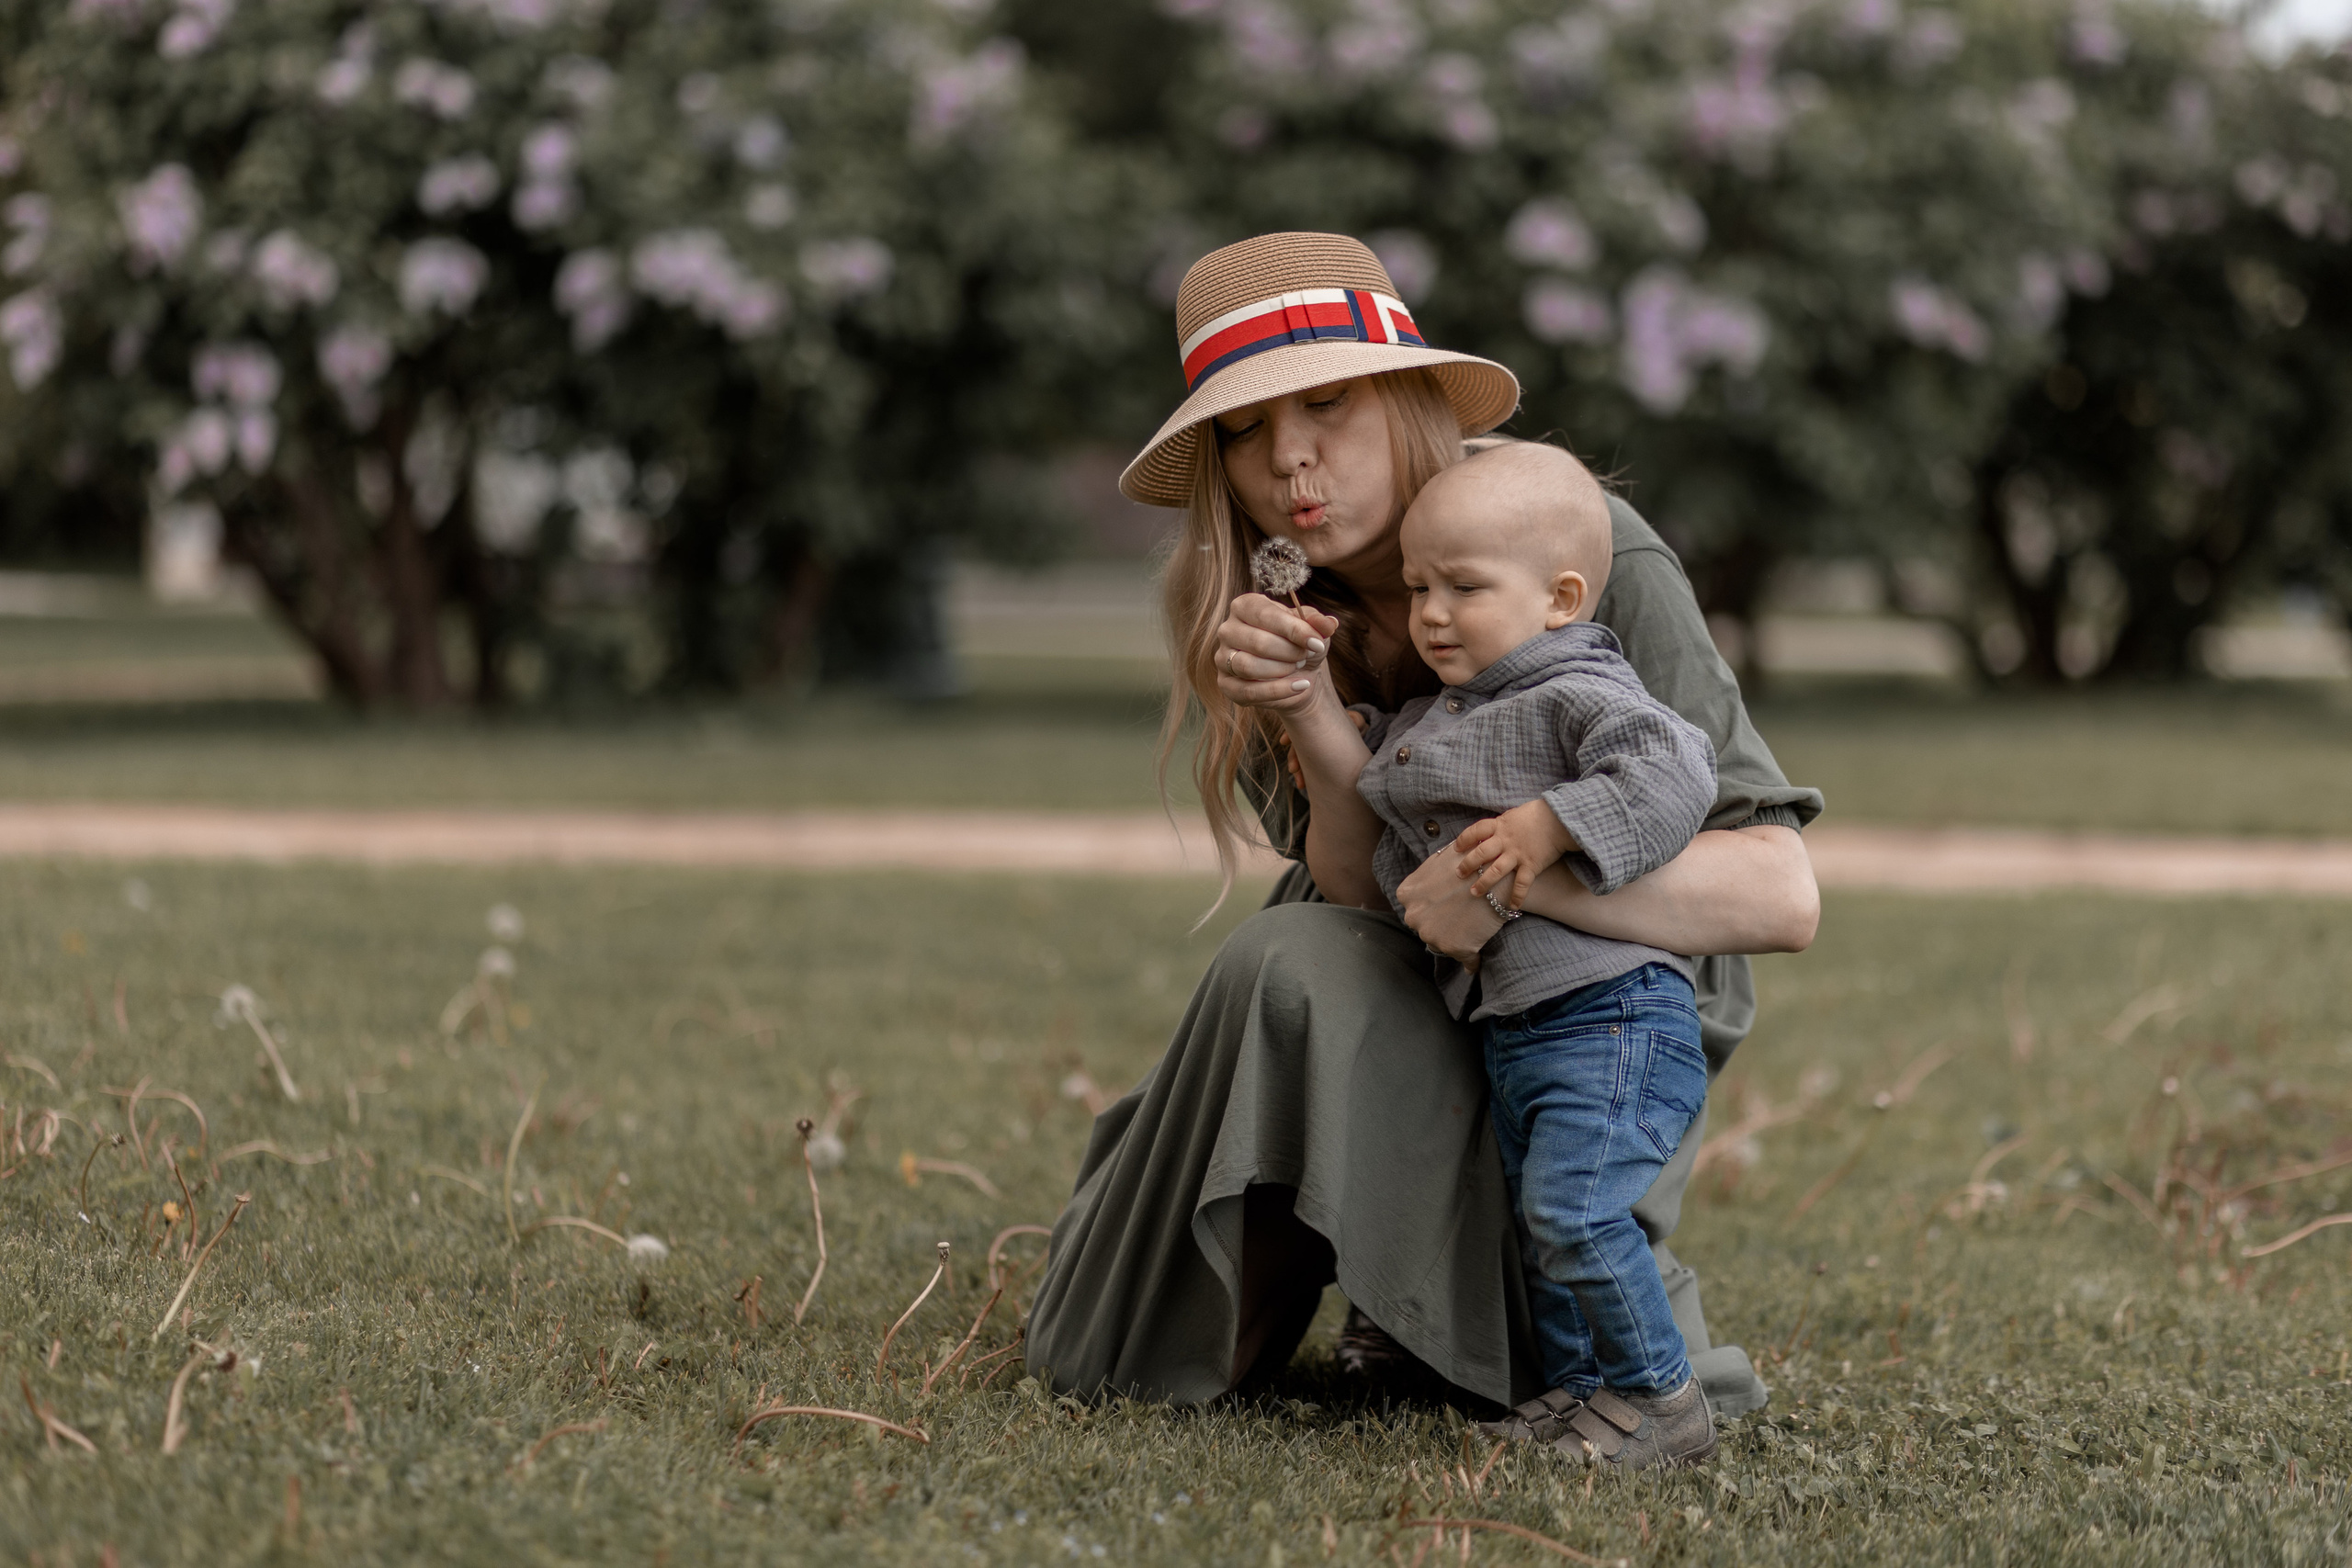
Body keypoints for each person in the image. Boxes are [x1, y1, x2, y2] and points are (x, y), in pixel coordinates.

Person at [1023, 231, 1822, 1416]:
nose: (1289, 460)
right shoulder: (1267, 615)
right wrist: (1300, 707)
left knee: (1573, 1313)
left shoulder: (1574, 547)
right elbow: (1354, 888)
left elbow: (1777, 893)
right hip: (1408, 965)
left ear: (1405, 399)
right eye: (1243, 430)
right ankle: (1355, 1295)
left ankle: (1460, 1299)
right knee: (1280, 972)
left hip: (1608, 984)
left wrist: (1517, 875)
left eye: (1329, 404)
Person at [1283, 440, 1721, 1469]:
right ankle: (1581, 1401)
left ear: (1560, 597)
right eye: (1418, 586)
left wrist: (1552, 827)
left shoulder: (1579, 689)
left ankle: (1662, 1402)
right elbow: (1391, 832)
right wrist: (1336, 723)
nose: (1430, 613)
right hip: (1520, 1030)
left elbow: (1676, 772)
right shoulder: (1445, 712)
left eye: (1463, 588)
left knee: (1575, 1212)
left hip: (1611, 1017)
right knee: (1540, 1232)